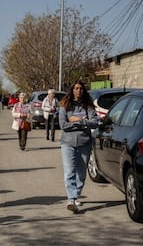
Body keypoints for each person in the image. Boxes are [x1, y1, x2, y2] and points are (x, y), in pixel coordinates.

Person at [58, 80, 97, 213]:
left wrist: (79, 120)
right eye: (76, 88)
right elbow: (63, 125)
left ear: (83, 90)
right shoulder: (65, 105)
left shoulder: (88, 106)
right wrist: (81, 123)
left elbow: (94, 122)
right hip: (67, 144)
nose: (78, 91)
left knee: (81, 174)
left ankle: (76, 194)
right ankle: (71, 199)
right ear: (72, 90)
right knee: (69, 172)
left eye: (80, 88)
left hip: (84, 143)